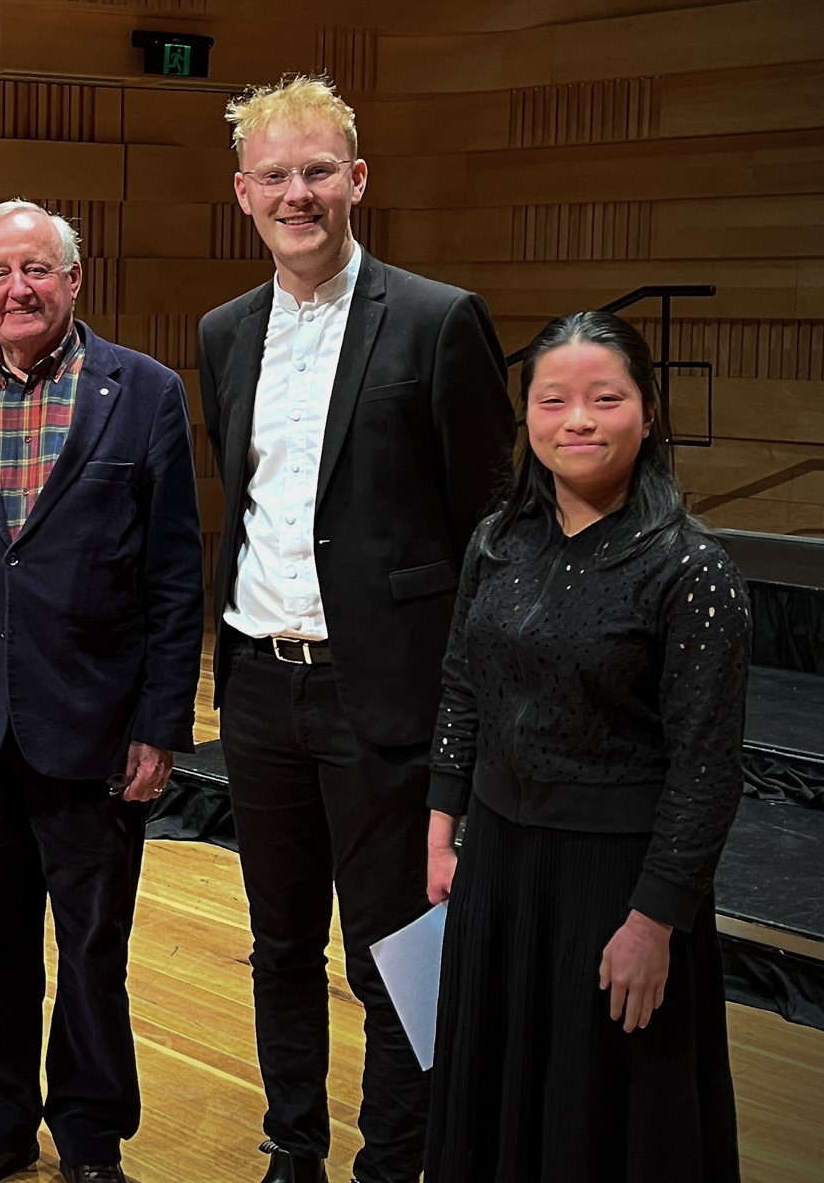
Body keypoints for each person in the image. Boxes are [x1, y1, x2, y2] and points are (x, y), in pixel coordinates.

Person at [196, 75, 512, 1183]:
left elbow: (488, 535)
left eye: (316, 170)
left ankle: (395, 1164)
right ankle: (293, 1152)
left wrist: (468, 726)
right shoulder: (222, 334)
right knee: (279, 948)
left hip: (384, 695)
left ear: (357, 180)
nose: (297, 193)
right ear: (242, 193)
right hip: (257, 690)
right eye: (274, 175)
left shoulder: (436, 319)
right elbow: (242, 503)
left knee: (397, 959)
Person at [0, 201, 202, 1183]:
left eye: (36, 270)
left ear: (74, 280)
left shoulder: (143, 392)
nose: (16, 290)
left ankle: (89, 1139)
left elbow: (171, 577)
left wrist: (161, 724)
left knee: (92, 953)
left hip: (95, 731)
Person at [425, 311, 748, 1183]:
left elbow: (708, 766)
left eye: (605, 399)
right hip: (500, 858)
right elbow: (462, 685)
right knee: (494, 1089)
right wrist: (442, 824)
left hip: (616, 880)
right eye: (553, 399)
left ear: (648, 413)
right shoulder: (499, 542)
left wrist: (656, 920)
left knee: (601, 1111)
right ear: (525, 417)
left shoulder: (691, 569)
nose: (577, 420)